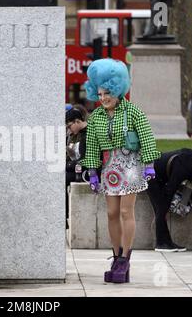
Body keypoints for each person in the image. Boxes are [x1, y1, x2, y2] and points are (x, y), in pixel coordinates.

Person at [82, 58, 160, 283]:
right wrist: (93, 171)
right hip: (110, 168)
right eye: (99, 94)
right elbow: (93, 145)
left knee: (127, 212)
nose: (103, 98)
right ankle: (116, 258)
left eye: (107, 93)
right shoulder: (95, 117)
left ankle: (126, 258)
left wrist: (149, 164)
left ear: (118, 89)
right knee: (111, 213)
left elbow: (146, 137)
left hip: (131, 166)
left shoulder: (133, 112)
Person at [146, 148, 192, 252]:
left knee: (161, 208)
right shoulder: (184, 167)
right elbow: (170, 189)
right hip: (149, 171)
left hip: (155, 171)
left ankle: (167, 242)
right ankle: (161, 243)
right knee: (161, 208)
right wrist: (166, 208)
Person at [65, 107, 88, 228]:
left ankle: (65, 218)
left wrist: (67, 166)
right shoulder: (75, 135)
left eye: (69, 126)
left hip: (87, 172)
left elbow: (84, 161)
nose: (69, 130)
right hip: (76, 168)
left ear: (77, 121)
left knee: (63, 179)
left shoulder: (88, 134)